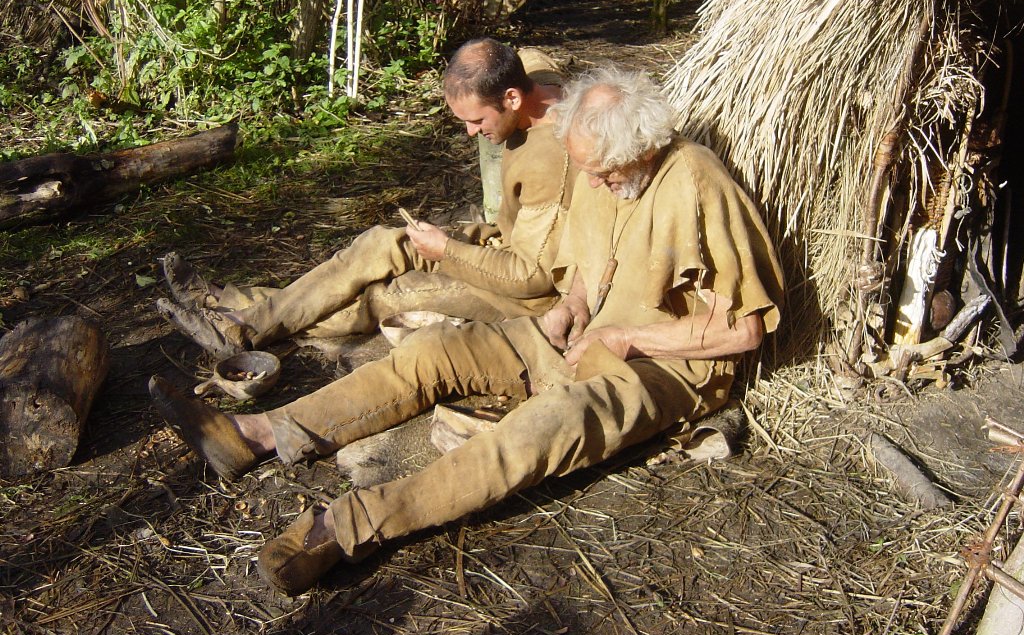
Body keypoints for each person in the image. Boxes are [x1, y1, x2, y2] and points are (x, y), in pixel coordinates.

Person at [149, 65, 785, 595]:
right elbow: (587, 263)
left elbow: (744, 330)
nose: (592, 184)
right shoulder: (601, 172)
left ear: (641, 147)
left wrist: (626, 340)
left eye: (603, 173)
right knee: (432, 352)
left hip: (662, 369)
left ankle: (348, 526)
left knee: (541, 428)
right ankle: (257, 433)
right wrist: (572, 306)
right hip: (580, 336)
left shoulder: (697, 182)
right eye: (586, 172)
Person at [156, 38, 574, 358]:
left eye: (477, 120)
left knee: (383, 295)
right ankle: (232, 311)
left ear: (512, 97)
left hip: (523, 294)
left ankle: (237, 325)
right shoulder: (538, 84)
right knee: (378, 244)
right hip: (499, 244)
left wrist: (446, 251)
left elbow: (532, 277)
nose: (470, 132)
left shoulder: (548, 158)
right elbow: (528, 55)